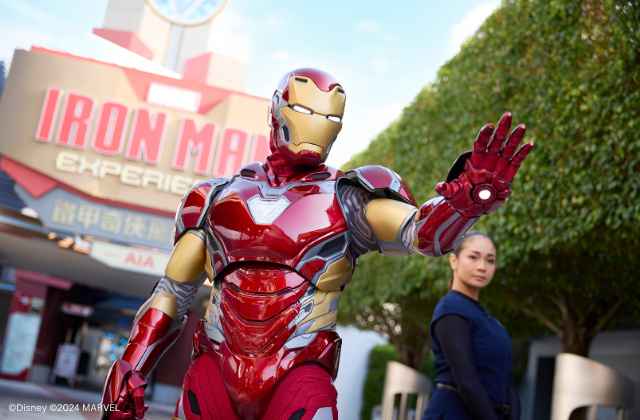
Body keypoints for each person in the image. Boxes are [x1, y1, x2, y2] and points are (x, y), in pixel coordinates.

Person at [100, 68, 532, 420]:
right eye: (308, 110)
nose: (318, 124)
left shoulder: (349, 196)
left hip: (298, 374)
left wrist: (464, 203)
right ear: (278, 109)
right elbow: (174, 291)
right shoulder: (216, 196)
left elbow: (420, 233)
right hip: (215, 369)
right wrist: (131, 365)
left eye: (330, 117)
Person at [422, 231, 520, 420]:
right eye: (473, 257)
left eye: (490, 260)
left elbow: (509, 382)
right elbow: (466, 381)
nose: (482, 267)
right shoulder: (451, 307)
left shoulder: (490, 320)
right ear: (454, 261)